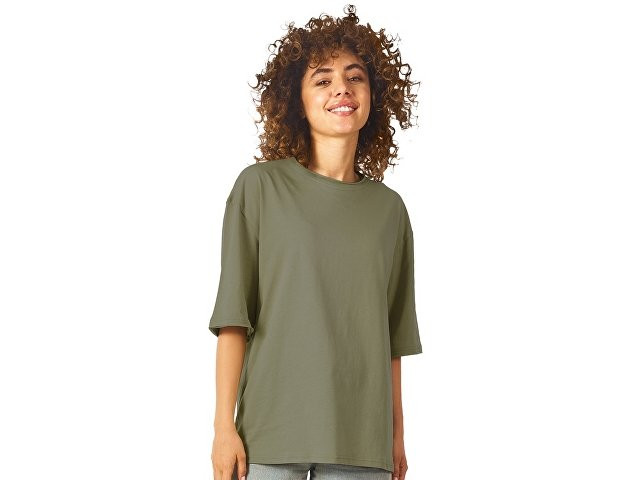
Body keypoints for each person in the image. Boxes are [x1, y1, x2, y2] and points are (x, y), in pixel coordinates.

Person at [209, 5, 422, 480]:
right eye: (322, 80)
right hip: (270, 433)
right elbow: (233, 317)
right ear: (297, 102)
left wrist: (396, 436)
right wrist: (224, 426)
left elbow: (392, 337)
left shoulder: (390, 210)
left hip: (360, 440)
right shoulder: (259, 188)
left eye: (354, 77)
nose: (341, 89)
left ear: (373, 95)